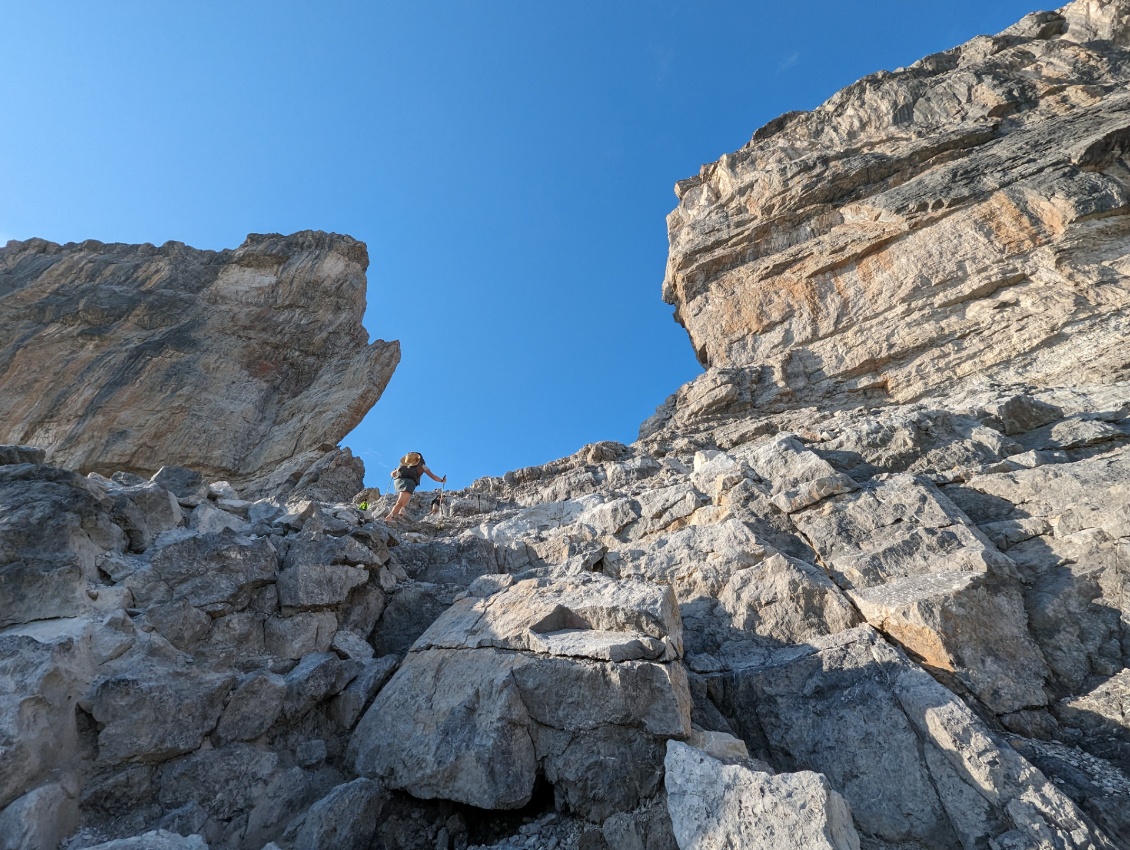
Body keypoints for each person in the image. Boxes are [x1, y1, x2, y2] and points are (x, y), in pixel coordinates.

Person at [385, 452, 446, 520]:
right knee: (400, 502)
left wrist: (395, 473)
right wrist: (441, 480)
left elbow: (392, 474)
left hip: (398, 482)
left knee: (403, 500)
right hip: (409, 483)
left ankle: (401, 511)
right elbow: (433, 477)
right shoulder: (422, 465)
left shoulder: (404, 464)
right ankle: (391, 515)